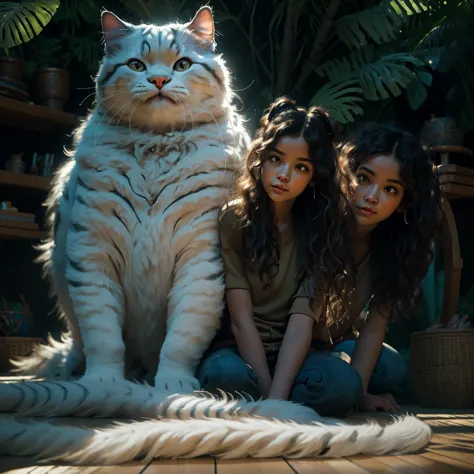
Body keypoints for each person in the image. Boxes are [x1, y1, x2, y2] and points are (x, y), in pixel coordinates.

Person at [195, 96, 350, 401]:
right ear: (261, 158)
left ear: (314, 177)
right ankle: (276, 395)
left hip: (296, 352)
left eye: (300, 167)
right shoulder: (233, 218)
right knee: (225, 376)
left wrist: (275, 399)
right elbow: (241, 320)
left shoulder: (324, 230)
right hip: (238, 351)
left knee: (343, 386)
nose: (284, 175)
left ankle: (279, 393)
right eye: (276, 159)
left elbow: (301, 323)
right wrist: (270, 396)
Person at [288, 124, 442, 416]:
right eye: (363, 179)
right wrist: (352, 391)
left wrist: (358, 393)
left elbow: (374, 328)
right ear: (346, 173)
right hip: (283, 339)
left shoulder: (392, 248)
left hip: (328, 344)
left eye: (390, 189)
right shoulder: (323, 221)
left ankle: (330, 378)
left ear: (402, 204)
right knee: (341, 385)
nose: (372, 196)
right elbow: (298, 321)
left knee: (392, 368)